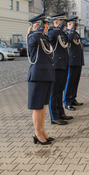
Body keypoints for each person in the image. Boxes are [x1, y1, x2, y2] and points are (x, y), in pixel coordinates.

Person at [27, 13, 55, 145]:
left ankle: (42, 130)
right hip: (37, 75)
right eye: (45, 24)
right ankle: (37, 134)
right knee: (37, 106)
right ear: (37, 26)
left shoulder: (43, 38)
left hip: (46, 74)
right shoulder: (32, 36)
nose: (47, 27)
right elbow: (33, 41)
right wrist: (37, 29)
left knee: (43, 105)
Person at [48, 12, 73, 125]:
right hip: (57, 65)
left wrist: (69, 29)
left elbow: (69, 40)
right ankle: (54, 116)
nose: (64, 24)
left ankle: (60, 112)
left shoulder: (62, 33)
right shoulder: (52, 32)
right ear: (56, 22)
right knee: (54, 92)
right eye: (62, 22)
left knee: (60, 91)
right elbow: (51, 37)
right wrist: (58, 27)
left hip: (63, 64)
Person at [63, 17, 84, 110]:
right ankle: (67, 101)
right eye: (74, 24)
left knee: (75, 81)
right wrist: (71, 29)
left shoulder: (75, 33)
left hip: (77, 61)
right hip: (71, 61)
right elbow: (69, 40)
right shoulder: (66, 33)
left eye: (76, 25)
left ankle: (73, 98)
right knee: (69, 81)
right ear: (69, 24)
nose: (76, 26)